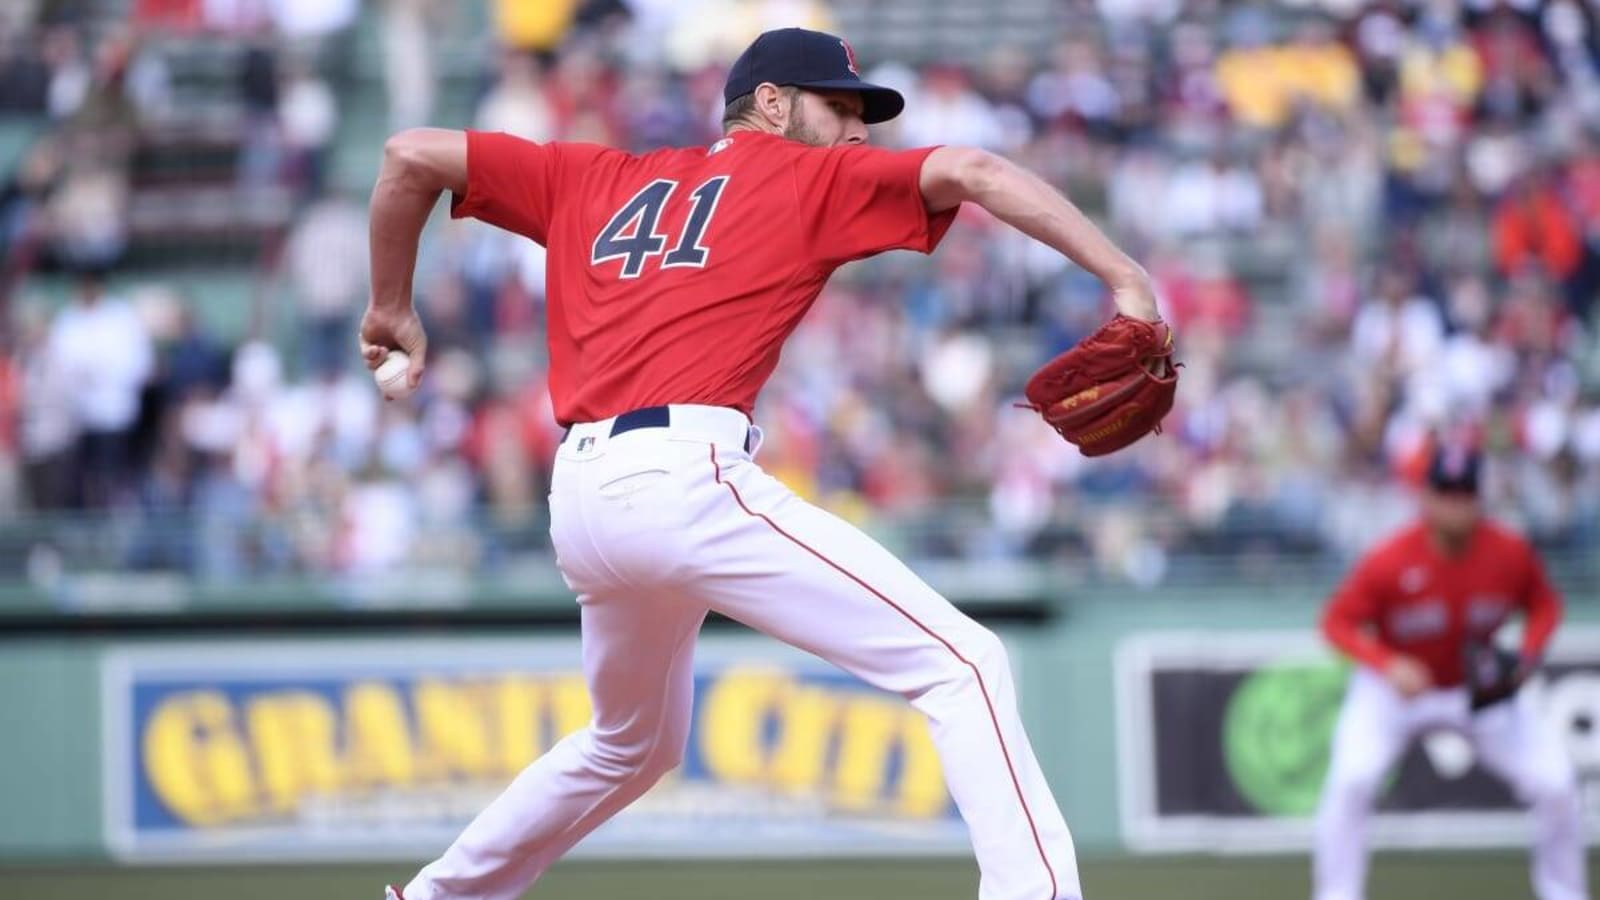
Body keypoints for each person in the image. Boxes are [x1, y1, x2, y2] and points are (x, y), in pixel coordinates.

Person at [364, 28, 1162, 900]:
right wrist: (1127, 280)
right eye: (839, 107)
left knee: (631, 742)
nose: (858, 132)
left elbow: (409, 156)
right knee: (962, 665)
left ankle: (439, 898)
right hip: (682, 479)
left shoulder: (591, 176)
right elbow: (974, 171)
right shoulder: (803, 174)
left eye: (863, 114)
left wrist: (391, 308)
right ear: (772, 104)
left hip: (584, 500)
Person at [1313, 445, 1585, 900]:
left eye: (1464, 493)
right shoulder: (1390, 559)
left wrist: (1527, 652)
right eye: (1445, 492)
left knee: (1556, 783)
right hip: (1393, 692)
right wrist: (1385, 662)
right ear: (1426, 496)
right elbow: (1335, 622)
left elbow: (1545, 604)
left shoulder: (1508, 552)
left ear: (1479, 497)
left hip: (1475, 684)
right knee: (1350, 782)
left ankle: (1564, 892)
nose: (1455, 504)